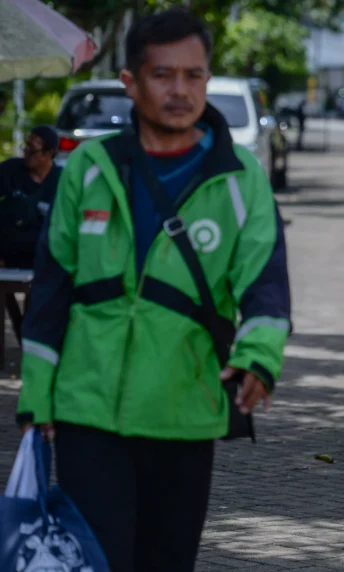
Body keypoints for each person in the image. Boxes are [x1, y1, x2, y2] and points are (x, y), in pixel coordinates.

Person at [16, 8, 291, 571]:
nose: (180, 90)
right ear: (130, 83)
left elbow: (266, 285)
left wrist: (259, 360)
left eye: (194, 75)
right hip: (86, 411)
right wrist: (36, 396)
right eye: (163, 75)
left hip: (185, 409)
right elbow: (50, 291)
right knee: (96, 560)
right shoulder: (90, 167)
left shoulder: (240, 178)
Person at [0, 125, 62, 269]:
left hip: (42, 257)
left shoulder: (61, 180)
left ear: (49, 153)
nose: (26, 153)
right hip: (6, 254)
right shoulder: (10, 170)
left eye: (32, 150)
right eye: (25, 147)